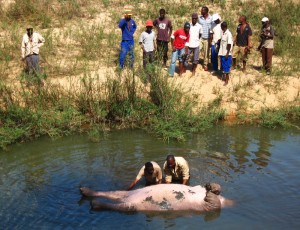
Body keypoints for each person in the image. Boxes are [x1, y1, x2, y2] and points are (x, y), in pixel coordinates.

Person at [218, 21, 233, 86]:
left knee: (227, 67)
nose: (221, 28)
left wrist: (227, 53)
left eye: (221, 27)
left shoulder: (228, 34)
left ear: (223, 27)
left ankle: (226, 80)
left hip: (226, 53)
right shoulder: (223, 33)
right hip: (222, 52)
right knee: (224, 66)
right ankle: (225, 78)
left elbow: (229, 44)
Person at [198, 6, 213, 71]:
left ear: (206, 11)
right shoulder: (199, 18)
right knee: (197, 49)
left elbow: (213, 29)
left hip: (207, 38)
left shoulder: (211, 18)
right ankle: (196, 61)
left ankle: (205, 64)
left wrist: (211, 39)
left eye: (202, 10)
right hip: (200, 37)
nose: (201, 11)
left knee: (206, 53)